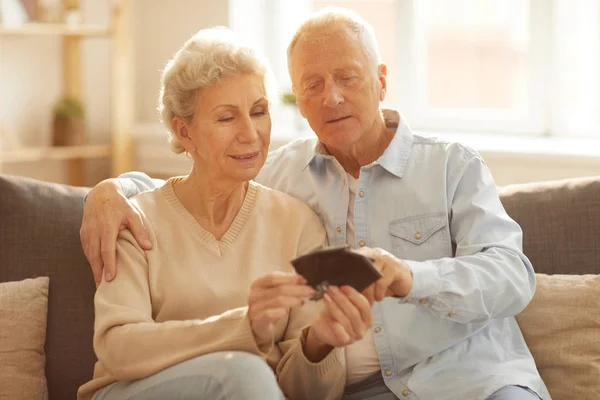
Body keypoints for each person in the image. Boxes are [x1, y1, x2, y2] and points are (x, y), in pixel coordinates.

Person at [81, 8, 552, 400]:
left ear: (381, 82)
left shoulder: (451, 166)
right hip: (358, 389)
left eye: (348, 76)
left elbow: (512, 274)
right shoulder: (281, 176)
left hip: (473, 381)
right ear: (299, 102)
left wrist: (412, 277)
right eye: (313, 85)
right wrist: (109, 190)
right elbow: (197, 186)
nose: (332, 97)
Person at [77, 27, 375, 400]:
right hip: (133, 392)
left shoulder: (298, 225)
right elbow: (118, 348)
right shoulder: (133, 220)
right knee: (242, 371)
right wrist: (243, 326)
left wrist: (319, 345)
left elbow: (307, 394)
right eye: (226, 118)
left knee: (247, 375)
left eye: (258, 112)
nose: (250, 133)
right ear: (184, 132)